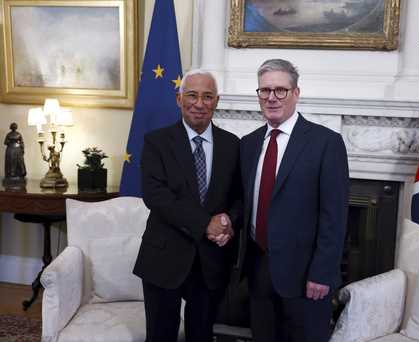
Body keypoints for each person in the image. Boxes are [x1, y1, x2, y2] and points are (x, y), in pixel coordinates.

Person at [238, 59, 349, 342]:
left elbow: (334, 217)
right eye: (265, 90)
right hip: (259, 271)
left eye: (280, 90)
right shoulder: (248, 144)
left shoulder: (326, 143)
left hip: (306, 277)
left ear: (296, 93)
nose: (271, 97)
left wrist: (322, 273)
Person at [133, 69, 242, 342]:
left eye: (207, 97)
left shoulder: (233, 145)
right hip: (165, 258)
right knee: (160, 336)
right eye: (192, 95)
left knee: (202, 336)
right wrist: (206, 224)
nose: (199, 103)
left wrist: (228, 222)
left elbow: (240, 197)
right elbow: (156, 196)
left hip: (211, 261)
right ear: (179, 99)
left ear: (216, 101)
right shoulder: (156, 142)